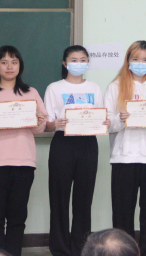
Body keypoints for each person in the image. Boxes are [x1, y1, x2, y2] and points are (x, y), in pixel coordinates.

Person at [0, 45, 48, 256]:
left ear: (20, 66)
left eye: (14, 62)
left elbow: (39, 129)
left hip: (23, 161)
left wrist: (38, 120)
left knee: (17, 218)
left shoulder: (31, 92)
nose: (10, 66)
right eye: (4, 62)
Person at [103, 40, 146, 256]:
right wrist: (122, 119)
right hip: (124, 157)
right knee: (122, 210)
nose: (140, 63)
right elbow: (108, 124)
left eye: (145, 59)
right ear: (128, 61)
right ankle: (123, 252)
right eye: (135, 59)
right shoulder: (115, 86)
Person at [44, 45, 107, 256]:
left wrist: (103, 122)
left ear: (88, 63)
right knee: (59, 198)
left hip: (88, 143)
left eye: (82, 60)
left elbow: (100, 116)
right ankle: (60, 248)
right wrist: (55, 124)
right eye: (73, 60)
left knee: (84, 199)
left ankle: (81, 247)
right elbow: (47, 124)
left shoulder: (94, 88)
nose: (78, 64)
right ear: (65, 63)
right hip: (63, 143)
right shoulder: (54, 88)